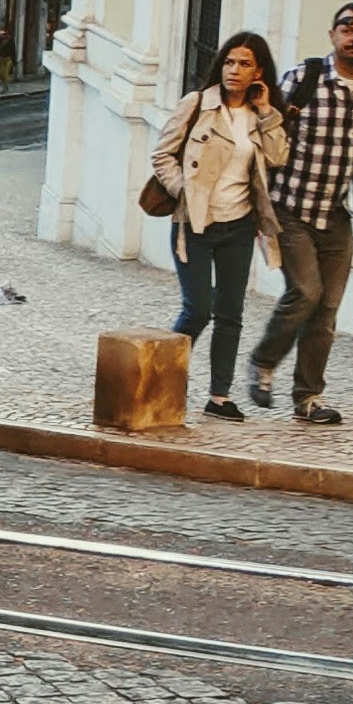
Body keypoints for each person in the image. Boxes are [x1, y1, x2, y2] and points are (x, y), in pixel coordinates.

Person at [252, 0, 353, 424]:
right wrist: (260, 207)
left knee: (326, 312)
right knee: (305, 293)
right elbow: (266, 134)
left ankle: (308, 398)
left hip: (335, 217)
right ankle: (263, 361)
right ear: (333, 35)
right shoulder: (304, 79)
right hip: (290, 208)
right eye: (347, 27)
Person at [150, 29, 288, 420]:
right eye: (229, 61)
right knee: (198, 310)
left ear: (258, 72)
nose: (234, 70)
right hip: (194, 224)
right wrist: (184, 192)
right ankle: (161, 382)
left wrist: (265, 112)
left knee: (230, 313)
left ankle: (219, 397)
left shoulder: (260, 116)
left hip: (239, 226)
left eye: (245, 64)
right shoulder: (197, 104)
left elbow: (278, 157)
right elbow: (162, 156)